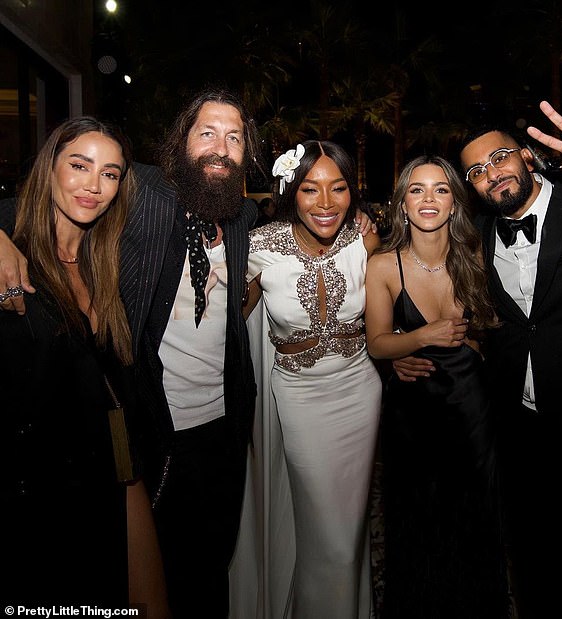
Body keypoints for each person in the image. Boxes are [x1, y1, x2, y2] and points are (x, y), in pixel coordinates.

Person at [0, 88, 375, 618]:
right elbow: (60, 194)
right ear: (182, 142)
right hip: (152, 429)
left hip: (225, 428)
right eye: (207, 133)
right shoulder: (146, 192)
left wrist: (360, 225)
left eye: (234, 137)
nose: (221, 148)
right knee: (151, 575)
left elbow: (299, 244)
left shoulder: (245, 219)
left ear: (248, 154)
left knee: (211, 567)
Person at [394, 101, 562, 619]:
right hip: (519, 435)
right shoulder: (477, 238)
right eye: (476, 171)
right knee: (532, 571)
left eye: (500, 157)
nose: (490, 173)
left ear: (527, 156)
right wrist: (400, 350)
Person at [0, 117, 169, 615]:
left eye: (111, 173)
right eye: (79, 165)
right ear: (49, 166)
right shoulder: (14, 258)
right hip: (36, 488)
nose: (94, 185)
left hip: (110, 462)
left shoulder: (107, 257)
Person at [237, 140, 383, 619]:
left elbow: (388, 313)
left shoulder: (365, 240)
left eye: (338, 188)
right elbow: (227, 319)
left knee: (349, 529)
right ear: (290, 192)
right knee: (324, 531)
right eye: (310, 189)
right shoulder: (259, 247)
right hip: (298, 401)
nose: (326, 203)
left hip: (360, 394)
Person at [364, 155, 509, 618]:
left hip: (473, 410)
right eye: (417, 189)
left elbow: (500, 322)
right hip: (414, 416)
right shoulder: (384, 265)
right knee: (416, 519)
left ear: (454, 204)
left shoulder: (477, 255)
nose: (429, 199)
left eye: (441, 189)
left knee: (475, 517)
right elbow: (377, 343)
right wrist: (423, 337)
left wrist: (479, 341)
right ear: (402, 204)